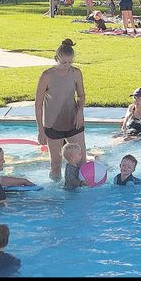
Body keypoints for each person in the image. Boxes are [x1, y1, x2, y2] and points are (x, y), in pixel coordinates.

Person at [35, 39, 86, 182]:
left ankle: (80, 195)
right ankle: (56, 195)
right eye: (64, 62)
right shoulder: (46, 76)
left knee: (81, 161)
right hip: (52, 124)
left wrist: (80, 111)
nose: (67, 66)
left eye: (70, 62)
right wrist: (40, 130)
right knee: (56, 164)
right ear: (57, 58)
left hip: (73, 120)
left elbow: (81, 95)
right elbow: (38, 104)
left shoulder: (76, 73)